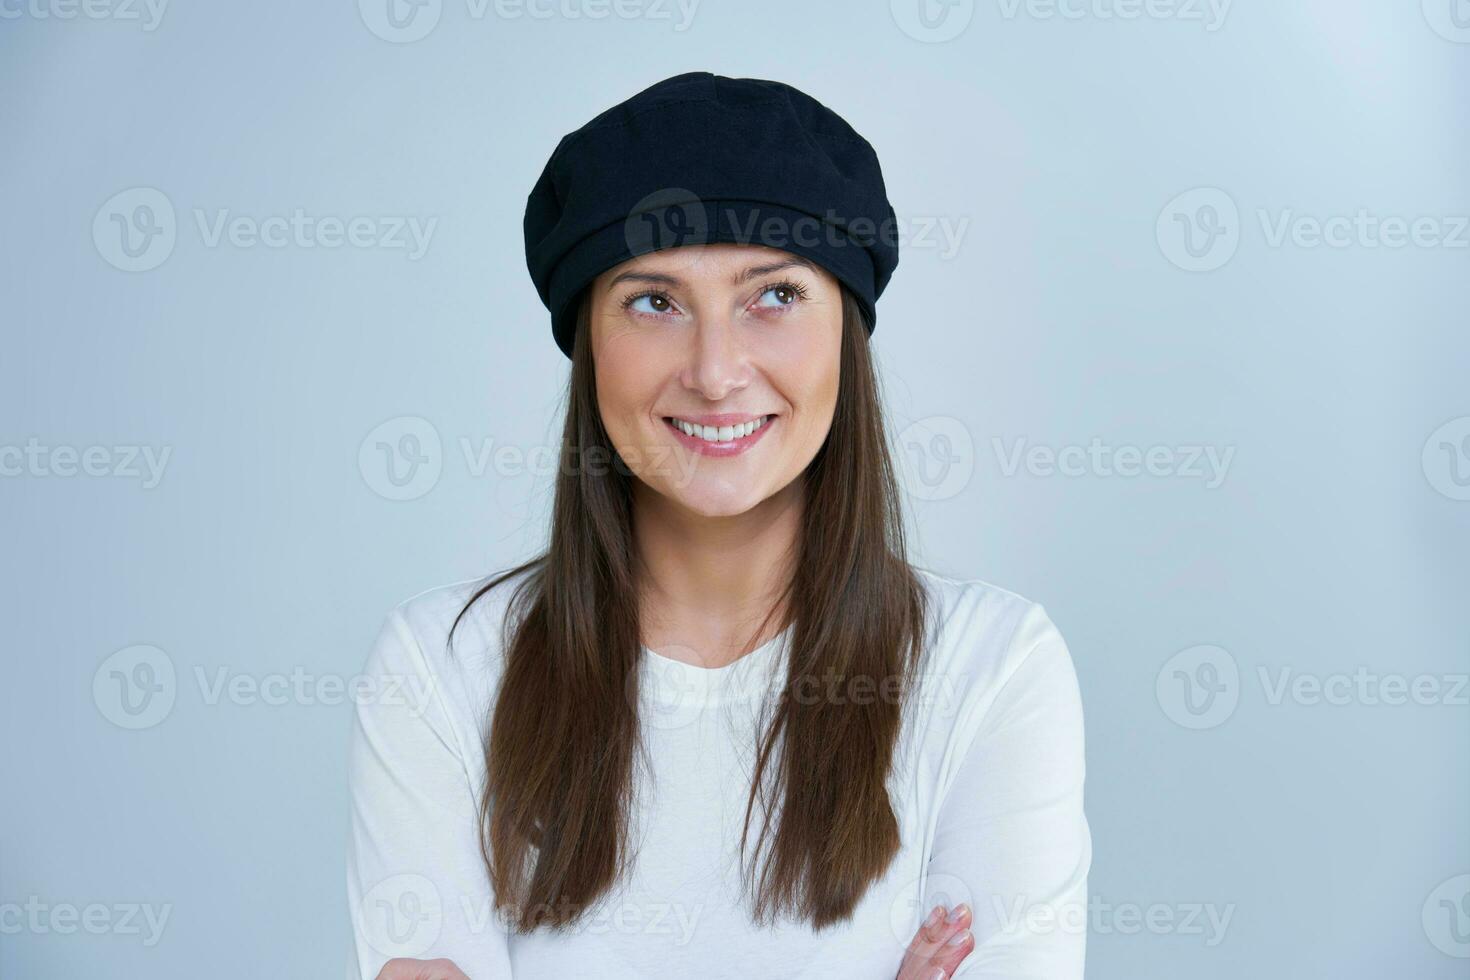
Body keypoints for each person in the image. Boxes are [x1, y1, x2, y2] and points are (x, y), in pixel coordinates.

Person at [346, 71, 1090, 980]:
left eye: (772, 295)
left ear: (845, 333)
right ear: (590, 344)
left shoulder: (990, 669)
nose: (714, 369)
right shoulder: (443, 672)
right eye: (654, 301)